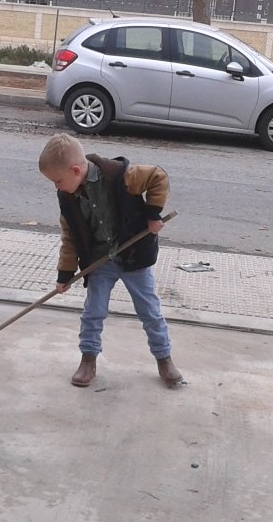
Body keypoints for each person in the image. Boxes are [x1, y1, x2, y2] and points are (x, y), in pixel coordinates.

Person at [38, 133, 183, 388]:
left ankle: (164, 359)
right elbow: (70, 237)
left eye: (57, 181)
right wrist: (65, 275)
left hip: (134, 257)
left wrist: (152, 215)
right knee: (93, 312)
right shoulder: (67, 198)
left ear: (75, 170)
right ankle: (88, 359)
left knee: (149, 311)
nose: (56, 187)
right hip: (101, 261)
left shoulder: (120, 176)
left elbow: (157, 176)